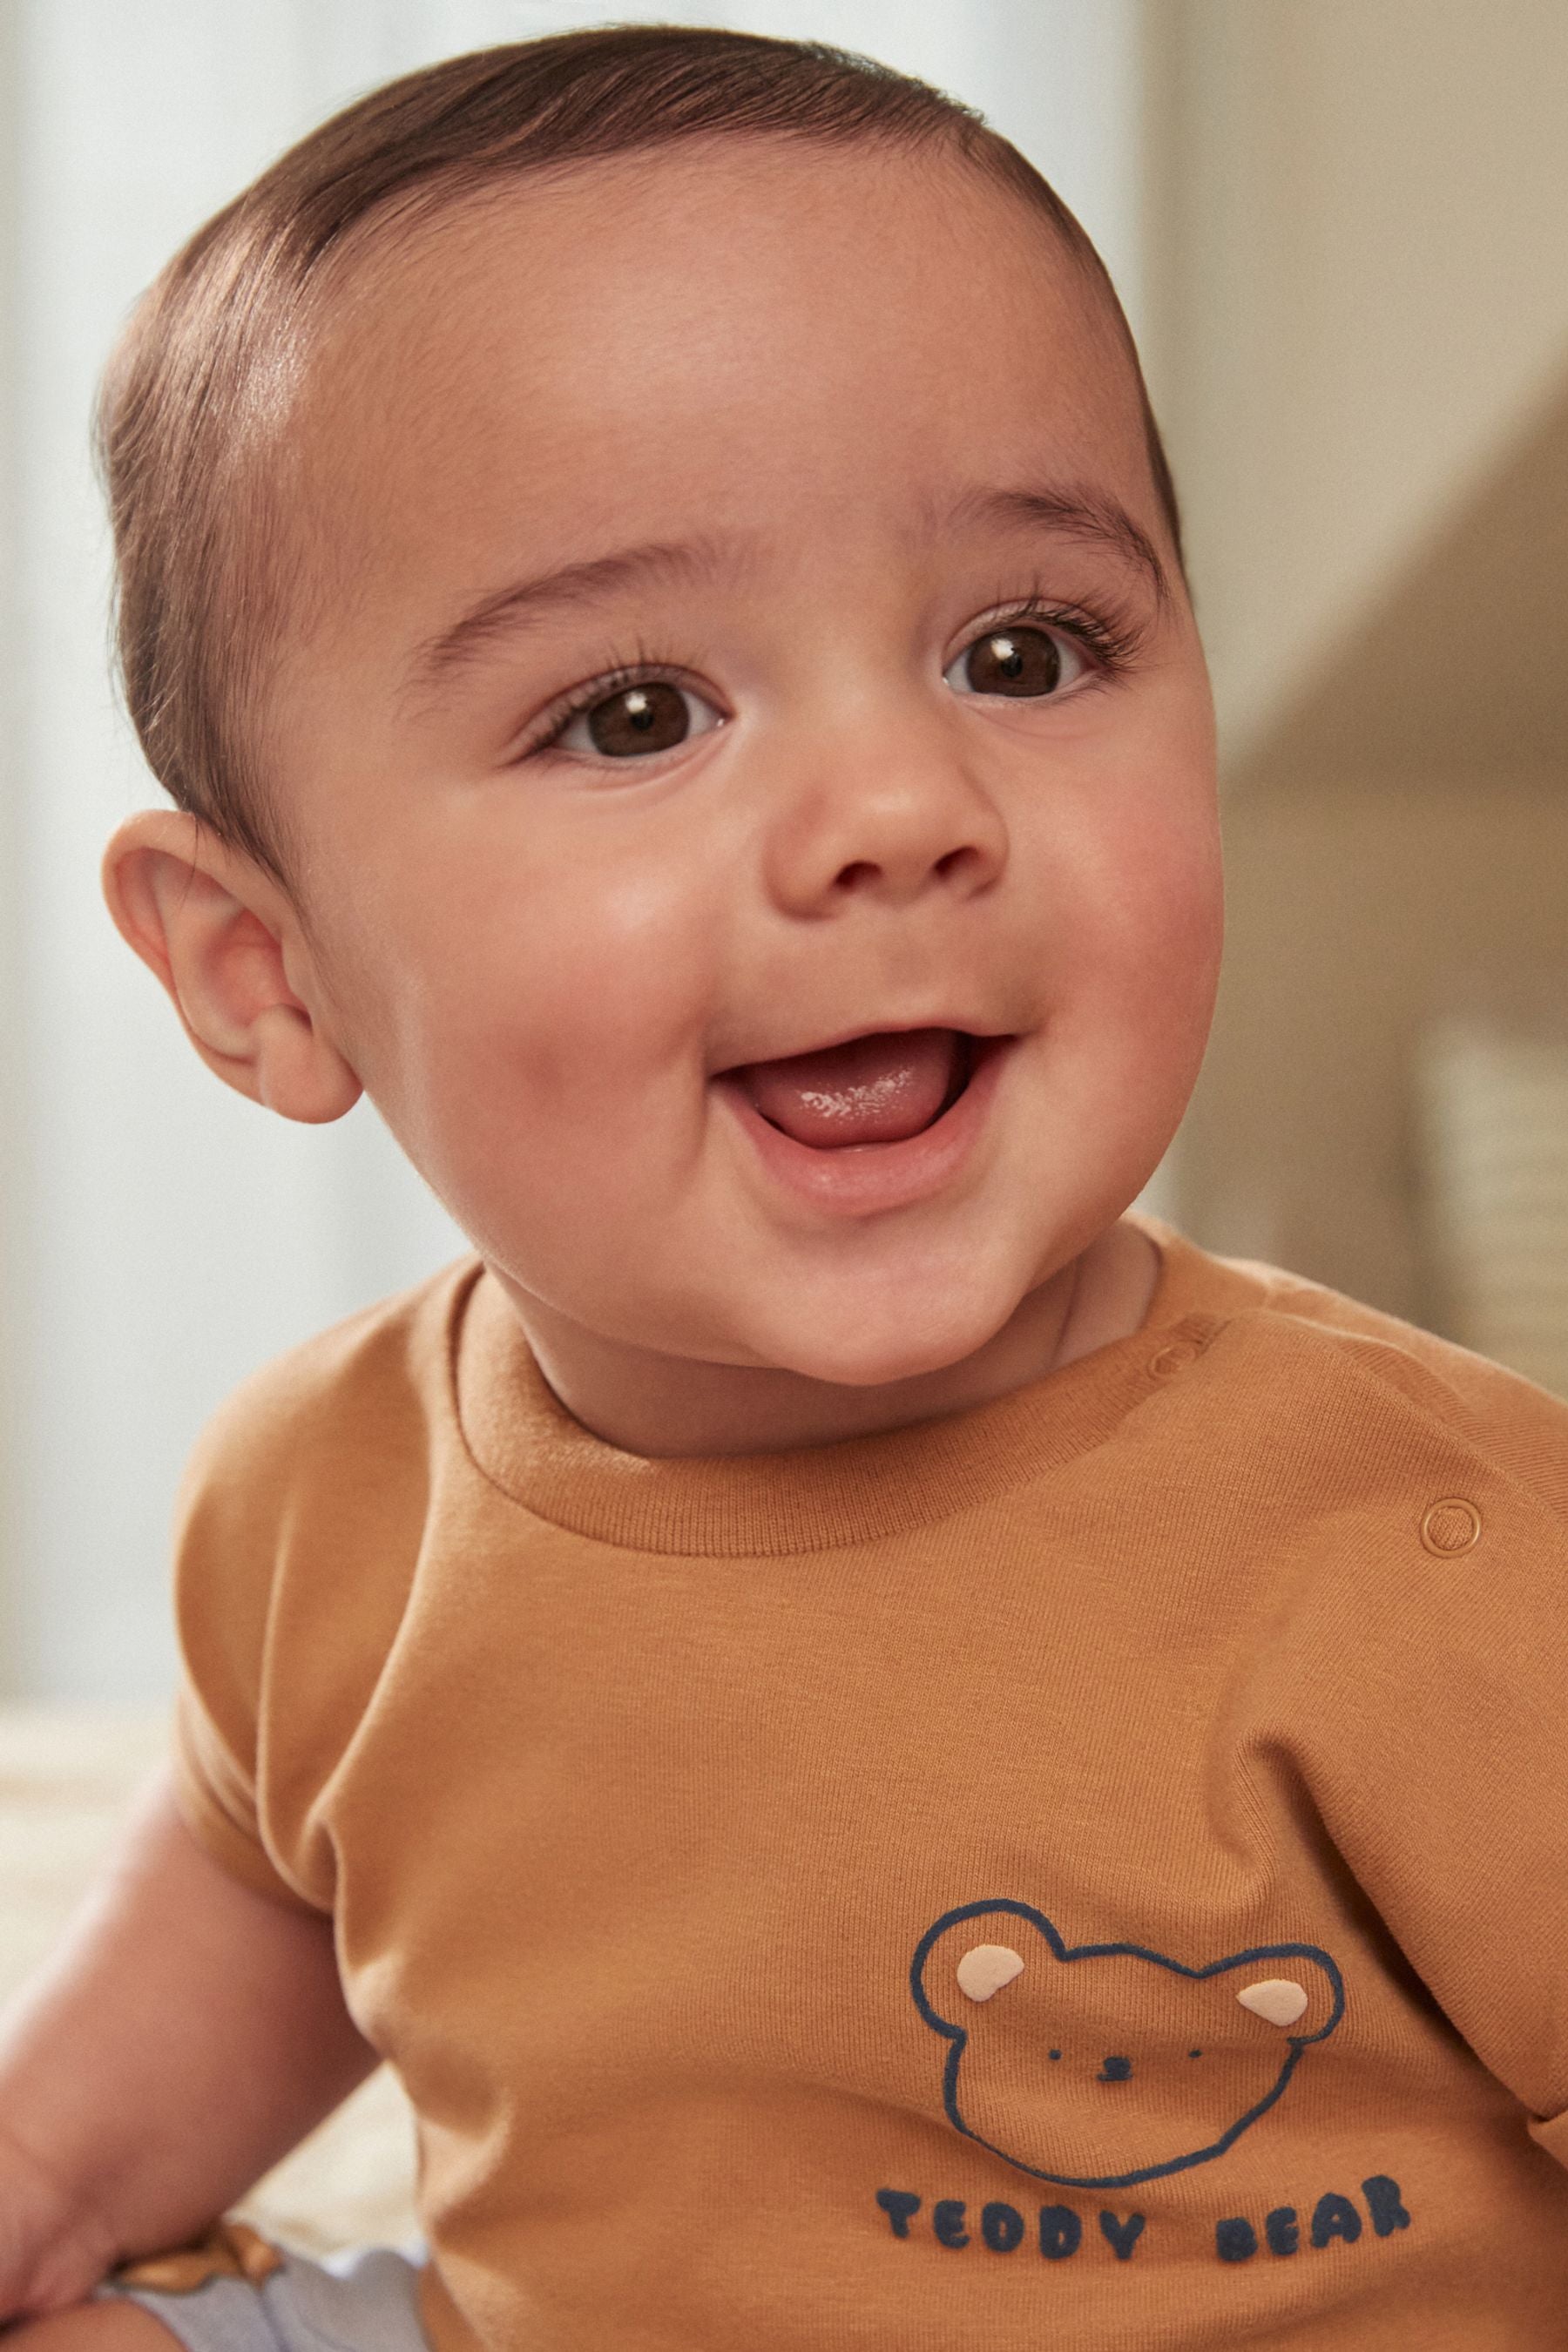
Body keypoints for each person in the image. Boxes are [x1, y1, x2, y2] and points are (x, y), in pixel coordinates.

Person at [1, 25, 1565, 2350]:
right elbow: (262, 1902)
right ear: (269, 974)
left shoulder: (1440, 1551)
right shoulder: (326, 1490)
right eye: (635, 711)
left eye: (1024, 651)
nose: (899, 800)